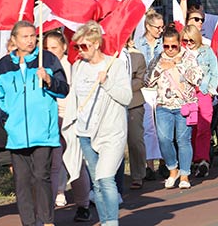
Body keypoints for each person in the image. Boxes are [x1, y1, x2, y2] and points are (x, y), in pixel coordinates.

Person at [0, 20, 69, 226]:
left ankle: (46, 221)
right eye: (25, 36)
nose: (30, 40)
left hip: (43, 132)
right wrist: (7, 121)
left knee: (41, 177)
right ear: (14, 40)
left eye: (33, 36)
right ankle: (29, 222)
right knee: (22, 182)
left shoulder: (48, 59)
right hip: (16, 135)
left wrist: (50, 81)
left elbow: (63, 89)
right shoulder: (4, 65)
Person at [62, 20, 132, 226]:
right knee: (97, 184)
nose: (80, 51)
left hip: (111, 133)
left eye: (83, 46)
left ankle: (111, 222)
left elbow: (126, 97)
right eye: (77, 47)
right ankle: (105, 219)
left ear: (95, 44)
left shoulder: (115, 64)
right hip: (85, 133)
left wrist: (107, 82)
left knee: (105, 178)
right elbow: (75, 97)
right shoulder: (78, 67)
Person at [145, 26, 202, 189]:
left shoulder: (188, 57)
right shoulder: (157, 59)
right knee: (164, 139)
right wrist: (161, 68)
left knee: (183, 140)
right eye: (166, 46)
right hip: (163, 106)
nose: (170, 50)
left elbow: (198, 78)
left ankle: (184, 175)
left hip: (183, 106)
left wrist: (178, 66)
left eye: (173, 46)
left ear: (179, 45)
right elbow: (147, 81)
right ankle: (172, 168)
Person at [43, 31, 92, 222]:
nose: (49, 51)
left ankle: (83, 205)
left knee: (76, 164)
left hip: (71, 121)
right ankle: (49, 210)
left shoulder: (73, 68)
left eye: (54, 47)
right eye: (46, 48)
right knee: (53, 166)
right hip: (51, 122)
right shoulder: (41, 67)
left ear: (64, 47)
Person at [181, 24, 218, 178]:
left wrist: (210, 91)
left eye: (191, 41)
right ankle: (192, 160)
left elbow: (215, 73)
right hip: (187, 94)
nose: (188, 44)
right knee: (191, 128)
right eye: (185, 41)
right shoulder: (181, 53)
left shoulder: (207, 51)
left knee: (204, 127)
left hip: (203, 92)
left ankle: (202, 159)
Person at [134, 8, 165, 180]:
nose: (160, 31)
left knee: (162, 127)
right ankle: (149, 165)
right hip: (144, 90)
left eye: (162, 27)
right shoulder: (138, 43)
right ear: (147, 26)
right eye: (157, 28)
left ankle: (164, 162)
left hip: (162, 89)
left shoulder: (163, 43)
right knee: (147, 128)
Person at [125, 40, 147, 190]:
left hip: (133, 102)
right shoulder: (104, 55)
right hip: (110, 105)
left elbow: (141, 80)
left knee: (135, 140)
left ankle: (138, 174)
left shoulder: (137, 56)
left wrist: (124, 86)